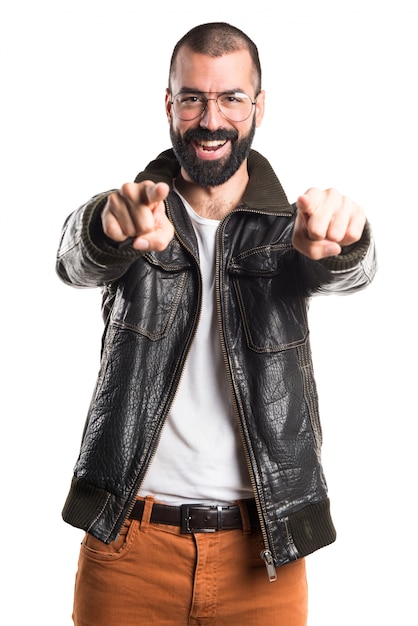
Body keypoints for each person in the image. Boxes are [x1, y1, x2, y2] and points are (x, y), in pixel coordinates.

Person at [56, 22, 377, 626]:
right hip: (128, 548)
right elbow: (73, 258)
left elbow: (350, 272)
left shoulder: (291, 230)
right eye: (193, 97)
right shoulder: (133, 212)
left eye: (231, 97)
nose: (211, 119)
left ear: (258, 105)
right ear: (169, 103)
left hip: (265, 556)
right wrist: (107, 226)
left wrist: (346, 245)